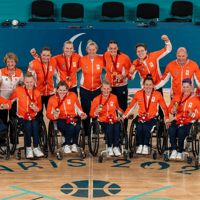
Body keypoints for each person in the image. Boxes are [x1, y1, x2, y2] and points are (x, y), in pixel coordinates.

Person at [121, 74, 170, 155]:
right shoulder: (138, 94)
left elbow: (164, 108)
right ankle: (140, 145)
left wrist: (167, 119)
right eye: (146, 84)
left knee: (146, 127)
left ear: (153, 85)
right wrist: (123, 116)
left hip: (152, 118)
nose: (148, 87)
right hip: (141, 117)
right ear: (143, 85)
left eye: (150, 85)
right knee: (139, 127)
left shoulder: (158, 94)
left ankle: (146, 146)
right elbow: (131, 106)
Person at [129, 35, 172, 118]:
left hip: (157, 86)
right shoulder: (135, 63)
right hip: (146, 88)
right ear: (136, 53)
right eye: (138, 51)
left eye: (142, 51)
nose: (140, 53)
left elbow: (167, 49)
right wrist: (131, 73)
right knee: (148, 106)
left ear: (146, 51)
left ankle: (162, 122)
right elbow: (131, 78)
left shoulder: (153, 56)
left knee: (160, 106)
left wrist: (166, 40)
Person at [46, 81, 87, 153]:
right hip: (62, 119)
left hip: (73, 118)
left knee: (77, 127)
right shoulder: (52, 99)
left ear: (67, 90)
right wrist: (54, 116)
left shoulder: (73, 95)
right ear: (57, 90)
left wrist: (82, 114)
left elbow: (78, 107)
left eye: (64, 90)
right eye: (60, 90)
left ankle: (74, 144)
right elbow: (48, 114)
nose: (62, 92)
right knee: (71, 127)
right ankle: (67, 145)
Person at [10, 73, 44, 158]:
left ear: (34, 82)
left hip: (33, 115)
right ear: (24, 81)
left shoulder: (37, 92)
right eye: (27, 82)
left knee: (35, 125)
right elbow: (10, 101)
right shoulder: (18, 90)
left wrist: (37, 109)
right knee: (28, 125)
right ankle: (28, 148)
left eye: (31, 82)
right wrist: (5, 104)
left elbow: (40, 106)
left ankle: (35, 148)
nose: (29, 84)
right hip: (21, 116)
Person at [168, 78, 200, 160]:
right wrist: (172, 110)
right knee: (171, 129)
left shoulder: (196, 99)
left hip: (189, 121)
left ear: (191, 87)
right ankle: (174, 150)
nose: (185, 89)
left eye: (187, 87)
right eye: (184, 87)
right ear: (182, 87)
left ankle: (180, 151)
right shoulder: (177, 97)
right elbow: (170, 108)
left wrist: (192, 114)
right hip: (177, 119)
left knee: (181, 131)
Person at [90, 79, 124, 156]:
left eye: (108, 88)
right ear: (101, 89)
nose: (106, 90)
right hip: (103, 121)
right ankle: (109, 147)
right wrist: (96, 112)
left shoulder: (114, 97)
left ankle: (115, 147)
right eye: (104, 88)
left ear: (111, 89)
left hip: (113, 120)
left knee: (117, 126)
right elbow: (91, 114)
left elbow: (118, 108)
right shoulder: (96, 99)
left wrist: (124, 115)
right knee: (110, 127)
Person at [103, 40, 132, 128]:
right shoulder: (105, 55)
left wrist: (123, 76)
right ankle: (111, 129)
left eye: (115, 48)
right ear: (108, 48)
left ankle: (123, 131)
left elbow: (130, 71)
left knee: (122, 108)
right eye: (111, 48)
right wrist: (109, 77)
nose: (113, 50)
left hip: (121, 87)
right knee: (110, 108)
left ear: (117, 48)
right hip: (109, 87)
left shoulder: (125, 57)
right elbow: (105, 66)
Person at [79, 40, 105, 137]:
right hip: (85, 89)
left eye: (93, 50)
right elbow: (74, 69)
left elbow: (109, 69)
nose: (91, 51)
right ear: (86, 50)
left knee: (95, 110)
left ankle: (94, 132)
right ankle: (86, 133)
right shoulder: (82, 59)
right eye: (89, 50)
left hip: (97, 89)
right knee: (86, 111)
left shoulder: (101, 59)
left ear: (96, 50)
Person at [27, 46, 57, 117]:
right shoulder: (34, 63)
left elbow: (58, 73)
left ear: (51, 55)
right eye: (43, 55)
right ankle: (40, 127)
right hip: (38, 93)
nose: (46, 57)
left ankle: (53, 127)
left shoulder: (53, 61)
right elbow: (27, 77)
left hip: (50, 93)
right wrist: (30, 68)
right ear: (40, 54)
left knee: (52, 113)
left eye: (48, 55)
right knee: (38, 114)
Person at [0, 53, 23, 125]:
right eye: (8, 61)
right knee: (2, 119)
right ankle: (4, 135)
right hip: (3, 99)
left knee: (13, 119)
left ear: (15, 62)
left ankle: (12, 135)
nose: (10, 64)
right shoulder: (1, 71)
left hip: (14, 100)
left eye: (12, 61)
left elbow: (21, 86)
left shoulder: (19, 72)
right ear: (5, 62)